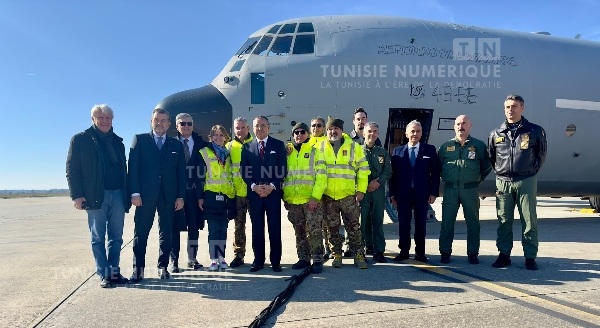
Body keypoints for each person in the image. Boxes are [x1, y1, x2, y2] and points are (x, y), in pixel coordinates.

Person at [66, 104, 129, 288]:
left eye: (108, 118)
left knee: (116, 237)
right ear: (93, 119)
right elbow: (72, 169)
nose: (105, 121)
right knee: (98, 237)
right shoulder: (81, 140)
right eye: (100, 117)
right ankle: (104, 274)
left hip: (118, 194)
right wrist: (76, 195)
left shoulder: (118, 141)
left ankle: (114, 272)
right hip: (95, 196)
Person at [488, 95, 547, 270]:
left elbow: (541, 154)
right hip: (503, 181)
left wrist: (530, 170)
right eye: (507, 107)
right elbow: (492, 157)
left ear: (522, 108)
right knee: (504, 220)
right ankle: (504, 255)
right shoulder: (496, 133)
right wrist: (500, 172)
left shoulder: (534, 131)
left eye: (514, 106)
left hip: (526, 180)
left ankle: (530, 257)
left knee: (529, 220)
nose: (510, 110)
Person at [128, 108, 186, 281]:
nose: (159, 123)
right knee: (141, 233)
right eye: (156, 120)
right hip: (145, 196)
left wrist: (180, 196)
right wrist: (135, 193)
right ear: (151, 121)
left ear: (169, 124)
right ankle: (138, 270)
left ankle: (163, 267)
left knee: (166, 233)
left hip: (169, 197)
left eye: (163, 121)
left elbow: (181, 173)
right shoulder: (140, 140)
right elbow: (133, 169)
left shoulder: (176, 145)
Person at [316, 116, 370, 269]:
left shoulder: (354, 147)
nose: (333, 131)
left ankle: (358, 254)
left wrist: (360, 190)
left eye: (336, 128)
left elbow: (363, 171)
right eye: (330, 129)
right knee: (332, 228)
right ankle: (337, 254)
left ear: (342, 130)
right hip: (328, 197)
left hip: (348, 196)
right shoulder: (320, 148)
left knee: (353, 227)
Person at [438, 115, 492, 265]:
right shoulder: (445, 147)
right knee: (447, 223)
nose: (460, 126)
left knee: (473, 223)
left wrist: (476, 179)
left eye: (464, 123)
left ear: (470, 126)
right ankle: (445, 252)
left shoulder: (479, 146)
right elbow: (439, 167)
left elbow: (486, 166)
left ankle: (473, 253)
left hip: (470, 189)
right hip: (451, 189)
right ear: (454, 127)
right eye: (458, 124)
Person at [240, 116, 287, 272]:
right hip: (255, 196)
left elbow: (282, 170)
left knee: (274, 228)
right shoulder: (246, 148)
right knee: (257, 229)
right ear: (252, 129)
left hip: (273, 195)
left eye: (262, 125)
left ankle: (275, 261)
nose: (259, 128)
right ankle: (258, 260)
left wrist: (271, 186)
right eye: (256, 126)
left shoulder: (278, 145)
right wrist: (254, 187)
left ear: (269, 127)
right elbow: (244, 171)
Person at [390, 120, 440, 262]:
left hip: (422, 194)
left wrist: (433, 192)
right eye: (412, 131)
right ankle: (404, 251)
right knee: (403, 224)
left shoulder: (429, 150)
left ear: (422, 133)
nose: (415, 134)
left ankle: (420, 252)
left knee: (421, 225)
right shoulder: (397, 151)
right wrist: (392, 194)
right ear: (406, 133)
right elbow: (393, 176)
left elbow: (435, 173)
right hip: (403, 194)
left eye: (418, 131)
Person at [283, 122, 327, 273]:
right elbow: (283, 176)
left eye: (302, 132)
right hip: (293, 200)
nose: (299, 135)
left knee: (314, 230)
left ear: (308, 134)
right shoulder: (287, 152)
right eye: (296, 132)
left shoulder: (315, 152)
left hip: (310, 200)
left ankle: (318, 260)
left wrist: (315, 197)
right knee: (299, 230)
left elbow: (321, 177)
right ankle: (303, 258)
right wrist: (285, 197)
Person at [169, 113, 209, 273]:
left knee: (193, 227)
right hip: (176, 193)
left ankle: (192, 259)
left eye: (189, 124)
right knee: (174, 227)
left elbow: (205, 170)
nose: (186, 126)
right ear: (177, 126)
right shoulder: (171, 143)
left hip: (194, 193)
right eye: (183, 124)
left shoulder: (202, 144)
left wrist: (201, 195)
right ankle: (174, 261)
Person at [197, 125, 237, 271]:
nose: (218, 138)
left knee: (223, 229)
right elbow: (199, 177)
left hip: (226, 196)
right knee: (213, 230)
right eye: (216, 135)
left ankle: (221, 257)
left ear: (225, 137)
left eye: (221, 135)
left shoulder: (228, 154)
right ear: (211, 137)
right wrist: (200, 197)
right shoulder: (204, 153)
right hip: (211, 195)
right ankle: (213, 259)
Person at [360, 122, 392, 263]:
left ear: (378, 133)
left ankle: (379, 251)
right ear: (363, 133)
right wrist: (365, 185)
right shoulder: (357, 151)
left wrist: (377, 182)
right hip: (363, 191)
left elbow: (388, 171)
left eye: (374, 131)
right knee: (362, 221)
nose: (371, 134)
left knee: (378, 221)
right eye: (369, 131)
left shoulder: (382, 152)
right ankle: (360, 251)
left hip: (378, 192)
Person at [226, 117, 254, 268]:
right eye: (237, 128)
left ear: (248, 128)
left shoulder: (254, 144)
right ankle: (238, 255)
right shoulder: (229, 146)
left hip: (253, 193)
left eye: (243, 127)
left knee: (257, 226)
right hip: (237, 194)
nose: (240, 130)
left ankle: (259, 255)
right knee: (238, 226)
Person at [309, 116, 330, 259]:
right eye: (313, 125)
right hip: (311, 191)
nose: (316, 128)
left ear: (324, 128)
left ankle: (330, 247)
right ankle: (316, 250)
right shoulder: (306, 142)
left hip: (326, 189)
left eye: (319, 125)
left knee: (328, 222)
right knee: (314, 224)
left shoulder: (329, 142)